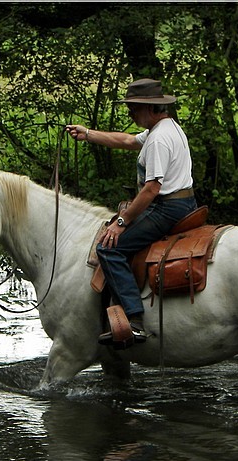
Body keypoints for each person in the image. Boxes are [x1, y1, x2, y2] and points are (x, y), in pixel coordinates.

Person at [66, 78, 197, 345]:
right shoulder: (165, 128)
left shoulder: (159, 139)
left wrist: (121, 222)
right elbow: (126, 141)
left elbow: (150, 190)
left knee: (108, 247)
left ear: (149, 108)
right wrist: (88, 133)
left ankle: (134, 319)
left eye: (134, 108)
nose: (131, 114)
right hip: (184, 202)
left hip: (167, 207)